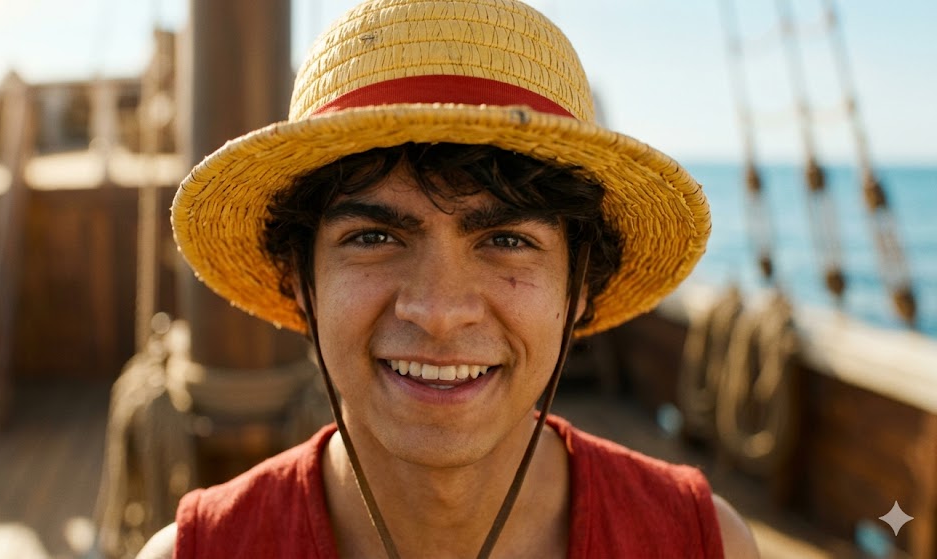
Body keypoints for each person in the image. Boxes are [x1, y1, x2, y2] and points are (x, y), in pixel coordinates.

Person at [140, 0, 759, 557]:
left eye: (507, 241)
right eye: (374, 238)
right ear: (301, 280)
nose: (438, 311)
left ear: (579, 290)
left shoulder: (702, 543)